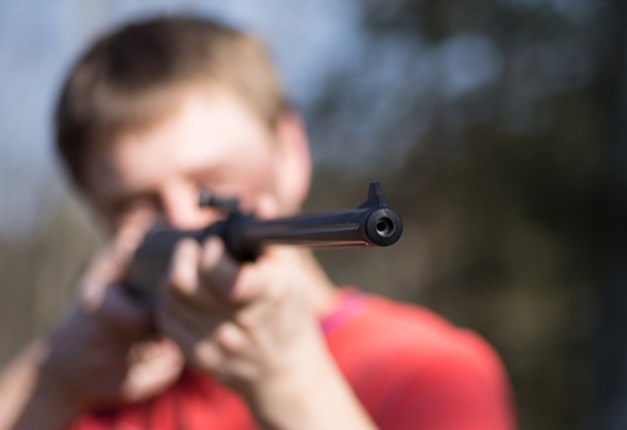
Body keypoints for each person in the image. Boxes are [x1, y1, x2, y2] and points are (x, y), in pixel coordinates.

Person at [0, 16, 516, 430]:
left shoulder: (428, 372)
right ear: (95, 208)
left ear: (291, 151)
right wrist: (54, 381)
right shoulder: (95, 378)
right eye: (137, 201)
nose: (184, 216)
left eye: (214, 181)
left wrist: (292, 387)